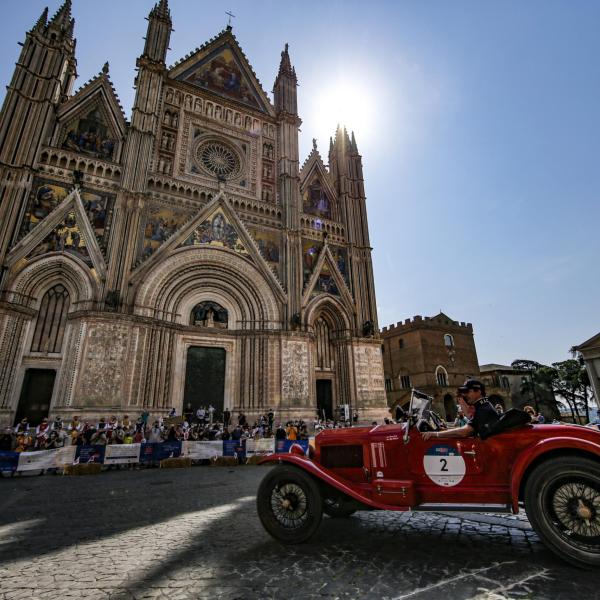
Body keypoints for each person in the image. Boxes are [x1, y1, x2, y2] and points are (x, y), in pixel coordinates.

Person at [422, 379, 499, 441]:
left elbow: (465, 432)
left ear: (479, 392)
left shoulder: (483, 409)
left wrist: (435, 434)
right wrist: (445, 430)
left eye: (468, 391)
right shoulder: (484, 406)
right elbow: (469, 428)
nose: (465, 395)